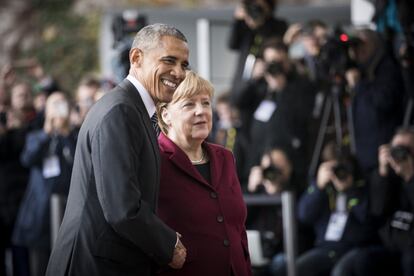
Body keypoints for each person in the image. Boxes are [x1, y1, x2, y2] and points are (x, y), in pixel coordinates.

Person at [45, 23, 189, 276]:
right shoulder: (121, 111)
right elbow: (122, 207)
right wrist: (168, 244)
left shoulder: (133, 109)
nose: (178, 72)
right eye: (169, 60)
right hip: (94, 265)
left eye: (184, 65)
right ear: (136, 58)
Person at [156, 70, 252, 276]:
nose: (201, 111)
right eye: (189, 104)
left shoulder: (225, 157)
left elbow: (237, 228)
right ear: (165, 114)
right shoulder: (154, 160)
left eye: (206, 103)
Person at [13, 92, 77, 276]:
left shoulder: (74, 135)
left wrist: (65, 133)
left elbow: (79, 162)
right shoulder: (36, 135)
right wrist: (47, 132)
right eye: (54, 105)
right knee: (39, 266)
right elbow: (27, 159)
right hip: (41, 212)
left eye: (62, 104)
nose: (58, 109)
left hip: (67, 207)